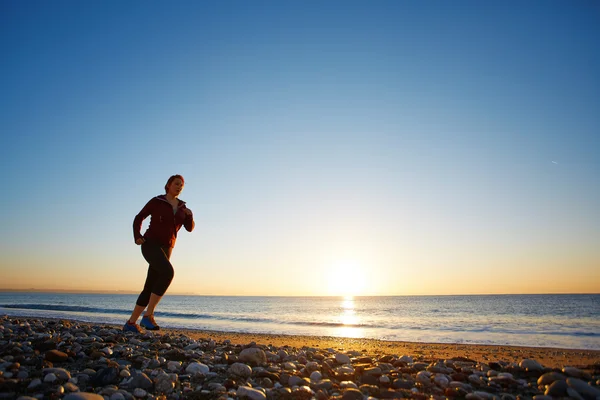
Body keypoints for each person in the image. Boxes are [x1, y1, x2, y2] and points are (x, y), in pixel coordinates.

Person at [124, 174, 195, 333]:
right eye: (176, 184)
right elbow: (139, 217)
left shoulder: (183, 208)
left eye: (181, 186)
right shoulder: (157, 201)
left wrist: (190, 216)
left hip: (167, 248)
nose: (179, 187)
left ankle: (130, 323)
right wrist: (137, 236)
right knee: (168, 272)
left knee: (149, 286)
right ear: (168, 185)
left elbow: (189, 228)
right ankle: (148, 316)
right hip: (150, 244)